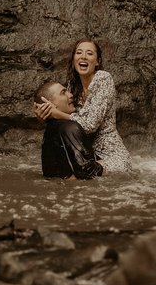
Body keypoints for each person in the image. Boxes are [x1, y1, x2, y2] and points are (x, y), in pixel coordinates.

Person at [36, 39, 133, 173]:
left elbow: (89, 125)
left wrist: (57, 114)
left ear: (97, 61)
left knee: (80, 175)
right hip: (84, 154)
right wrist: (44, 115)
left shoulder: (103, 79)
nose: (83, 56)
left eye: (89, 53)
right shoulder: (73, 85)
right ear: (74, 59)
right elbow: (61, 118)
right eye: (79, 52)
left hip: (111, 156)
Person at [33, 79, 103, 180]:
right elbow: (87, 170)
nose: (70, 95)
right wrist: (107, 164)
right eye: (63, 93)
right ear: (49, 104)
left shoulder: (50, 129)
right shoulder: (70, 127)